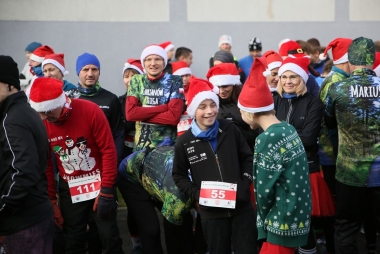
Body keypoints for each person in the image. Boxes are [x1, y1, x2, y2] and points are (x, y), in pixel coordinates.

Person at [29, 77, 124, 254]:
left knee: (109, 237)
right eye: (40, 113)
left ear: (60, 102)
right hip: (70, 186)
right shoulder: (42, 122)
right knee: (73, 240)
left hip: (98, 180)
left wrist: (107, 190)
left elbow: (109, 151)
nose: (44, 117)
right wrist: (52, 200)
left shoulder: (90, 110)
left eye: (48, 111)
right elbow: (47, 164)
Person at [173, 78, 257, 254]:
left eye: (212, 105)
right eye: (202, 107)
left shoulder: (230, 129)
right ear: (193, 110)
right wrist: (198, 194)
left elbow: (248, 158)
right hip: (212, 214)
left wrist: (244, 184)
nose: (209, 112)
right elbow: (179, 175)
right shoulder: (184, 142)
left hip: (241, 207)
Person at [238, 56, 312, 254]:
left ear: (250, 112)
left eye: (241, 111)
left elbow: (263, 190)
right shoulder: (287, 129)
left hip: (281, 220)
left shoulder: (266, 139)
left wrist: (262, 219)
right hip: (298, 215)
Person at [123, 44, 187, 254]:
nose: (153, 63)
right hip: (140, 158)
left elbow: (174, 117)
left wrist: (145, 110)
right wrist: (163, 108)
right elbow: (130, 115)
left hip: (168, 159)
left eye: (157, 59)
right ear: (143, 63)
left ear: (164, 62)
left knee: (174, 217)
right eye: (149, 60)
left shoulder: (175, 81)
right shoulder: (136, 81)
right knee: (147, 226)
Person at [325, 37, 380, 254]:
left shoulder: (337, 89)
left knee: (346, 227)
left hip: (348, 173)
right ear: (373, 60)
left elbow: (329, 121)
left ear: (350, 61)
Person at [275, 57, 334, 254]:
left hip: (305, 169)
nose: (288, 81)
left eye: (293, 77)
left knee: (304, 224)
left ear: (301, 79)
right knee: (283, 222)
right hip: (278, 171)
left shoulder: (313, 104)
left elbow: (308, 139)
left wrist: (278, 140)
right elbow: (264, 135)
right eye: (284, 77)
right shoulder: (273, 101)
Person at [0, 55, 54, 253]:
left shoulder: (12, 120)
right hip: (34, 218)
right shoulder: (24, 111)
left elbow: (23, 172)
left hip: (23, 224)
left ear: (10, 86)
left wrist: (2, 210)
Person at [76, 52, 124, 165]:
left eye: (94, 69)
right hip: (78, 161)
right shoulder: (69, 98)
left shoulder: (111, 99)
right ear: (78, 72)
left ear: (99, 72)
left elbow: (118, 133)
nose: (90, 74)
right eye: (85, 69)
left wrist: (114, 162)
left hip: (105, 160)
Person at [118, 58, 144, 254]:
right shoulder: (119, 101)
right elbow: (121, 127)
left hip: (150, 158)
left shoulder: (152, 99)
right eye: (126, 76)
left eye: (133, 75)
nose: (129, 79)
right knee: (134, 206)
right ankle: (136, 245)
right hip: (127, 157)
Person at [207, 62, 258, 150]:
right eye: (217, 87)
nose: (221, 91)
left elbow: (256, 135)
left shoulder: (246, 102)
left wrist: (234, 128)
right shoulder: (210, 105)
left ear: (234, 84)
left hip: (245, 153)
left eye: (225, 86)